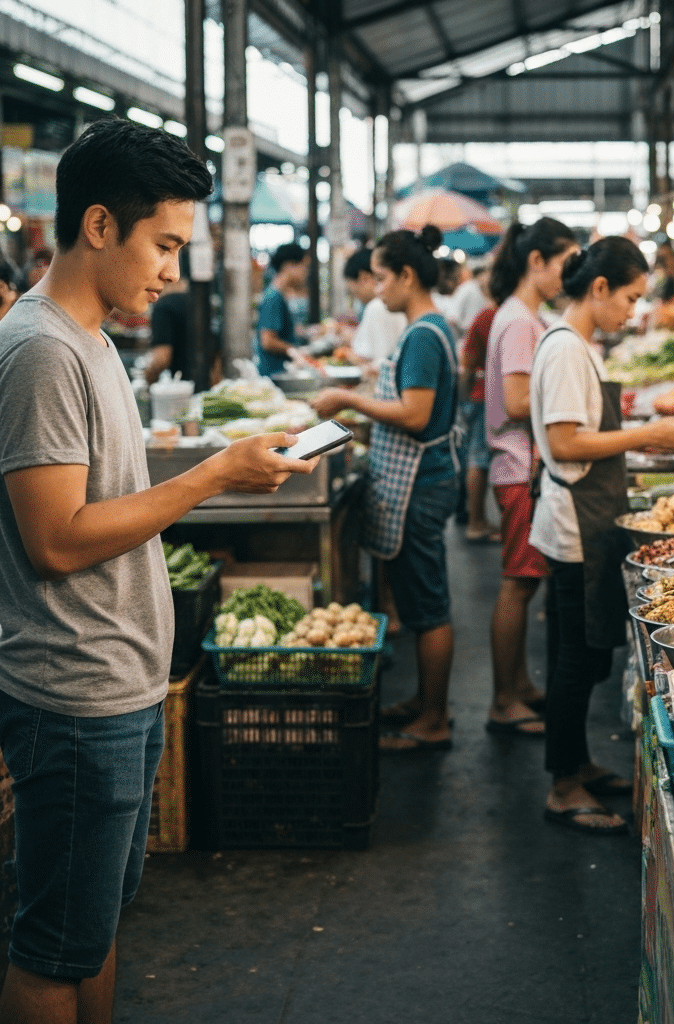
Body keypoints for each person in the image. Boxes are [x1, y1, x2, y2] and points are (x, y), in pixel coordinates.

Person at [0, 116, 318, 1024]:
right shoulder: (42, 352)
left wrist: (215, 469)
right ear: (99, 225)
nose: (174, 270)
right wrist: (215, 475)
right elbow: (55, 540)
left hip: (121, 682)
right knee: (50, 951)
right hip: (74, 692)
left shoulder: (93, 340)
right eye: (165, 244)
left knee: (89, 930)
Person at [530, 237, 674, 833]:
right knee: (578, 657)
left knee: (584, 652)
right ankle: (564, 785)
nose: (632, 311)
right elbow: (569, 442)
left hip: (586, 514)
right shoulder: (568, 350)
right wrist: (646, 436)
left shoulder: (576, 345)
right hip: (577, 521)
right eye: (629, 298)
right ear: (599, 288)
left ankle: (578, 763)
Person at [311, 225, 460, 752]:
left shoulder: (422, 334)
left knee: (427, 606)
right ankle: (424, 703)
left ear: (406, 275)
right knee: (422, 598)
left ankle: (434, 720)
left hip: (421, 483)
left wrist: (347, 400)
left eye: (380, 277)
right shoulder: (432, 326)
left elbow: (416, 415)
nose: (376, 289)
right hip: (429, 478)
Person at [483, 217, 577, 736]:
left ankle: (518, 685)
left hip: (522, 465)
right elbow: (518, 401)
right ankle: (502, 700)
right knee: (518, 583)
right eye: (566, 263)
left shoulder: (524, 316)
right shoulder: (520, 321)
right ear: (536, 261)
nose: (571, 274)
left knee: (525, 582)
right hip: (521, 466)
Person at [459, 298, 500, 543]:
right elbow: (468, 362)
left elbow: (468, 359)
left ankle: (479, 520)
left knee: (479, 457)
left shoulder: (487, 314)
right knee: (479, 458)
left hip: (479, 393)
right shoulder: (492, 315)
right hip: (484, 394)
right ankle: (476, 522)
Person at [253, 241, 311, 377]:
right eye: (304, 266)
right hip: (273, 374)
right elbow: (267, 341)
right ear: (288, 266)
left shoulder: (277, 295)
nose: (306, 272)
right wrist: (294, 350)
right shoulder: (273, 297)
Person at [344, 246, 406, 368]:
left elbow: (381, 362)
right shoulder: (384, 306)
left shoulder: (379, 306)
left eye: (380, 279)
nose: (378, 289)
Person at [145, 246, 195, 385]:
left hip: (180, 392)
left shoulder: (163, 307)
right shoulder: (196, 302)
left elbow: (162, 357)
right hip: (203, 387)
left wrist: (148, 379)